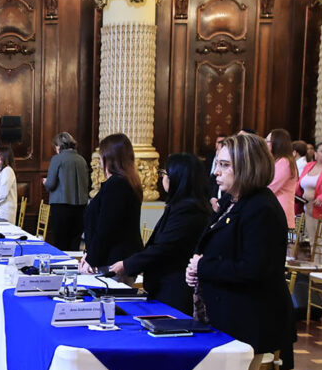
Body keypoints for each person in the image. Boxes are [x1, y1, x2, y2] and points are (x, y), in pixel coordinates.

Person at [186, 132, 295, 370]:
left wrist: (204, 267)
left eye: (224, 165)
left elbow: (254, 268)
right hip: (232, 312)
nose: (216, 172)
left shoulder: (261, 208)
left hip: (251, 316)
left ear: (246, 166)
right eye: (217, 164)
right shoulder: (237, 203)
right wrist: (198, 270)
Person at [110, 153, 211, 315]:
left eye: (165, 173)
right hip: (163, 284)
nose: (162, 177)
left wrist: (127, 265)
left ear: (177, 178)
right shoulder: (179, 206)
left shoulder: (189, 210)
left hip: (174, 288)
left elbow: (163, 248)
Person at [81, 133, 143, 275]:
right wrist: (89, 254)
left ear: (109, 158)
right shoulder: (123, 182)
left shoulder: (117, 184)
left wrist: (91, 259)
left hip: (114, 262)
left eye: (101, 156)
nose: (99, 161)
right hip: (112, 258)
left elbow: (106, 228)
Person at [42, 132, 89, 250]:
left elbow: (51, 184)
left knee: (61, 243)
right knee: (75, 242)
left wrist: (45, 182)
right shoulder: (82, 160)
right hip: (80, 207)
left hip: (61, 206)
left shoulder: (57, 159)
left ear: (58, 146)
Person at [266, 128, 298, 229]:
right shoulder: (278, 161)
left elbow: (271, 187)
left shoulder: (284, 162)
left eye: (267, 141)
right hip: (273, 208)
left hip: (279, 210)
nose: (265, 144)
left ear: (277, 143)